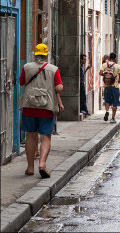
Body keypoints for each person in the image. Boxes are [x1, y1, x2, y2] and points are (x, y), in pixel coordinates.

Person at [19, 44, 64, 178]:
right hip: (46, 108)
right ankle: (42, 164)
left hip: (29, 107)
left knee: (30, 136)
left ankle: (30, 167)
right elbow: (59, 88)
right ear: (46, 55)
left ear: (35, 54)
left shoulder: (26, 67)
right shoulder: (53, 69)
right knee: (45, 137)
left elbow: (21, 82)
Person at [99, 52, 120, 123]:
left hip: (107, 86)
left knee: (107, 100)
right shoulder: (118, 66)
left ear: (109, 57)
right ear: (115, 58)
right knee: (115, 102)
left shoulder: (104, 65)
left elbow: (100, 73)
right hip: (115, 86)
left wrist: (106, 75)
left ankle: (107, 111)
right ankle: (113, 118)